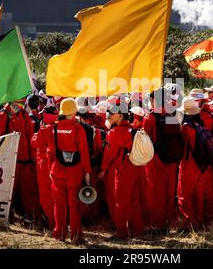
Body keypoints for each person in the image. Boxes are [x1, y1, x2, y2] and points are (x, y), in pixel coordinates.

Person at [47, 98, 91, 245]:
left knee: (59, 204)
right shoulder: (78, 128)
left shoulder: (53, 127)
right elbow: (84, 152)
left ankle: (59, 234)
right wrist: (87, 172)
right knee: (74, 205)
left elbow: (44, 147)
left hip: (57, 170)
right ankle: (76, 236)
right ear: (73, 112)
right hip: (74, 172)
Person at [100, 103, 145, 239]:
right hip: (136, 167)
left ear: (120, 115)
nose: (109, 115)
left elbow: (109, 154)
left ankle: (121, 233)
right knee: (134, 200)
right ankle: (137, 231)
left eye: (112, 113)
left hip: (123, 169)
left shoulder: (114, 133)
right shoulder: (133, 130)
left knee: (120, 201)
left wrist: (103, 169)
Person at [0, 100, 42, 223]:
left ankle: (34, 218)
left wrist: (32, 159)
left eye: (21, 101)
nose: (20, 104)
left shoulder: (23, 114)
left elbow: (30, 136)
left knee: (29, 192)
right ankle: (5, 217)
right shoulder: (2, 115)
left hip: (25, 161)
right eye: (18, 101)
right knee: (7, 192)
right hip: (11, 161)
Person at [143, 88, 183, 233]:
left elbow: (145, 141)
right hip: (172, 158)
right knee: (169, 191)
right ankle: (168, 222)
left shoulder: (150, 118)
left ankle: (157, 225)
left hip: (156, 159)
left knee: (156, 192)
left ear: (154, 100)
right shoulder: (173, 114)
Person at [177, 97, 213, 231]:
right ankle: (198, 220)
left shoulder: (186, 127)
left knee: (184, 194)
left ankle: (189, 223)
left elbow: (183, 146)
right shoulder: (200, 124)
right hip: (201, 164)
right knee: (197, 194)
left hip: (188, 163)